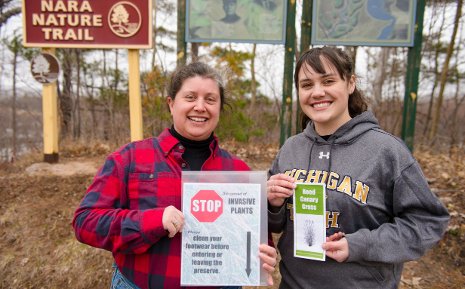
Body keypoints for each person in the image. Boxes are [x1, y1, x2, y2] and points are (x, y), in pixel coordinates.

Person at [72, 62, 277, 289]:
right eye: (190, 97)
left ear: (219, 108)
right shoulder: (130, 159)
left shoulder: (238, 171)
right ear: (171, 104)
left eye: (210, 99)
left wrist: (263, 254)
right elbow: (85, 222)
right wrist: (151, 221)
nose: (200, 107)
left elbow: (256, 238)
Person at [267, 46, 449, 289]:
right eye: (307, 85)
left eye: (328, 81)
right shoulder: (291, 149)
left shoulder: (386, 151)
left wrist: (361, 245)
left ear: (350, 83)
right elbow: (273, 224)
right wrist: (272, 203)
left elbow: (428, 222)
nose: (317, 92)